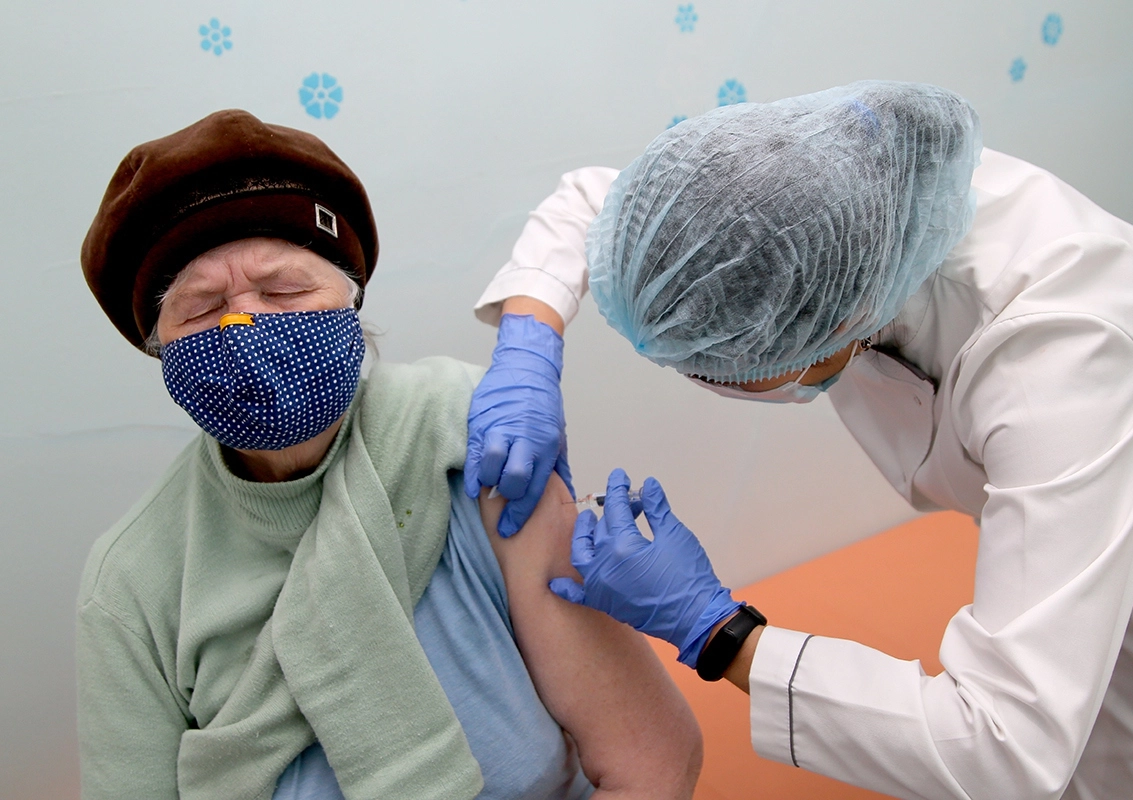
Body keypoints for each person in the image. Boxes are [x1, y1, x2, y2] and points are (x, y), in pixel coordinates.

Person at [466, 81, 1133, 799]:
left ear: (839, 325)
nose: (696, 376)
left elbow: (1004, 750)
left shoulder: (1064, 356)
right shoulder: (808, 212)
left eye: (714, 364)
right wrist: (529, 344)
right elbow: (604, 206)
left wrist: (716, 630)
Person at [74, 109, 701, 800]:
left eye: (284, 291)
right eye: (200, 308)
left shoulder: (467, 436)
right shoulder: (132, 581)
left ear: (351, 301)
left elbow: (651, 764)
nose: (246, 325)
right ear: (161, 350)